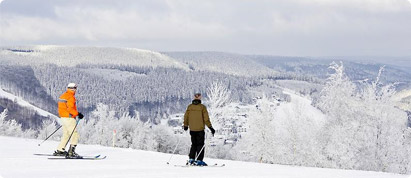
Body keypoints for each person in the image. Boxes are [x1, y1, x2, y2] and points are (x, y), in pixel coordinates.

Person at [183, 93, 215, 166]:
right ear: (200, 98)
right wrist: (210, 128)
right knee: (200, 144)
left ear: (194, 98)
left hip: (192, 129)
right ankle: (199, 160)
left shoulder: (189, 107)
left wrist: (185, 125)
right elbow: (206, 119)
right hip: (200, 129)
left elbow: (186, 117)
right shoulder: (202, 107)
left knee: (193, 144)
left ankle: (191, 159)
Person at [53, 83, 84, 158]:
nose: (76, 90)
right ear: (73, 88)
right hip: (69, 118)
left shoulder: (63, 95)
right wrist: (77, 114)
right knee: (74, 134)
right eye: (75, 88)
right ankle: (71, 152)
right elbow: (70, 108)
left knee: (66, 133)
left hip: (63, 117)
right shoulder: (71, 97)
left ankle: (60, 150)